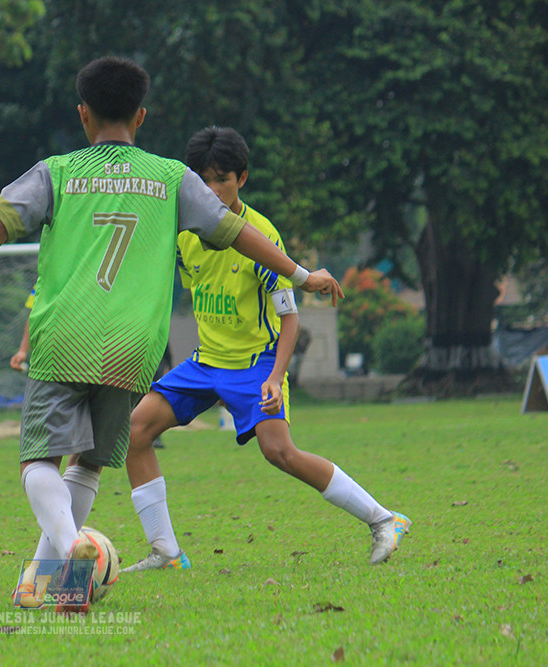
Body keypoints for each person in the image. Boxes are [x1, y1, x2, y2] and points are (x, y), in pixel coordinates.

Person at [0, 57, 343, 611]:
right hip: (133, 347)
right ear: (140, 116)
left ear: (83, 114)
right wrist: (303, 275)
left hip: (66, 334)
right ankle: (48, 585)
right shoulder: (171, 178)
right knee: (87, 462)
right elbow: (238, 233)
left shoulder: (57, 172)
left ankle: (77, 549)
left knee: (38, 461)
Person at [121, 126, 410, 573]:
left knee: (280, 453)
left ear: (243, 178)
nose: (213, 191)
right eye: (203, 180)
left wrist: (275, 376)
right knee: (136, 432)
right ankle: (166, 551)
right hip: (206, 362)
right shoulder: (184, 232)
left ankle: (384, 519)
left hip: (255, 365)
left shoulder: (261, 237)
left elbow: (289, 317)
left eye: (223, 179)